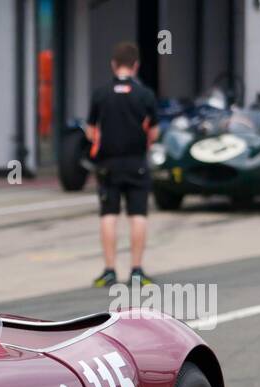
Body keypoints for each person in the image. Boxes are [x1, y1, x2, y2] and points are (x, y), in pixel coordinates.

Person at [86, 41, 158, 288]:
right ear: (136, 65)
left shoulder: (100, 94)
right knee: (138, 215)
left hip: (108, 164)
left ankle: (109, 271)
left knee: (108, 215)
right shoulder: (145, 95)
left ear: (113, 65)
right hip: (137, 163)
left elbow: (90, 131)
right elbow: (154, 132)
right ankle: (136, 271)